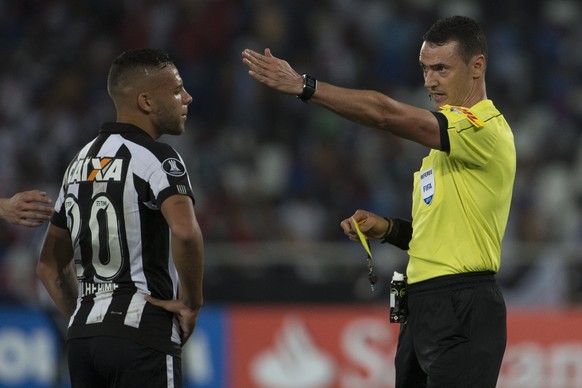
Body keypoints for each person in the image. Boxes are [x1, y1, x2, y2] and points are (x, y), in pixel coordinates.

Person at [242, 15, 515, 388]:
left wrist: (304, 86)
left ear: (477, 66)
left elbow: (385, 114)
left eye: (441, 68)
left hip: (463, 303)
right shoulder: (441, 150)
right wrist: (386, 229)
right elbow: (432, 238)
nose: (430, 80)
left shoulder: (483, 128)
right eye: (424, 68)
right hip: (421, 304)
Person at [36, 48, 204, 388]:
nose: (187, 97)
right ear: (145, 101)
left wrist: (89, 318)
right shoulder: (158, 158)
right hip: (144, 333)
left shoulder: (79, 162)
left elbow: (49, 266)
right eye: (176, 90)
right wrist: (191, 303)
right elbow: (186, 234)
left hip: (83, 340)